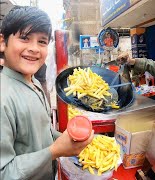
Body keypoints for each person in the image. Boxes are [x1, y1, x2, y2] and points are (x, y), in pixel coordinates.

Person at [0, 6, 94, 179]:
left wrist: (69, 141)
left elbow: (42, 131)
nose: (34, 48)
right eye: (24, 38)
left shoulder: (34, 82)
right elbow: (4, 172)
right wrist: (54, 151)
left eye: (42, 41)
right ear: (2, 42)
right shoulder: (3, 98)